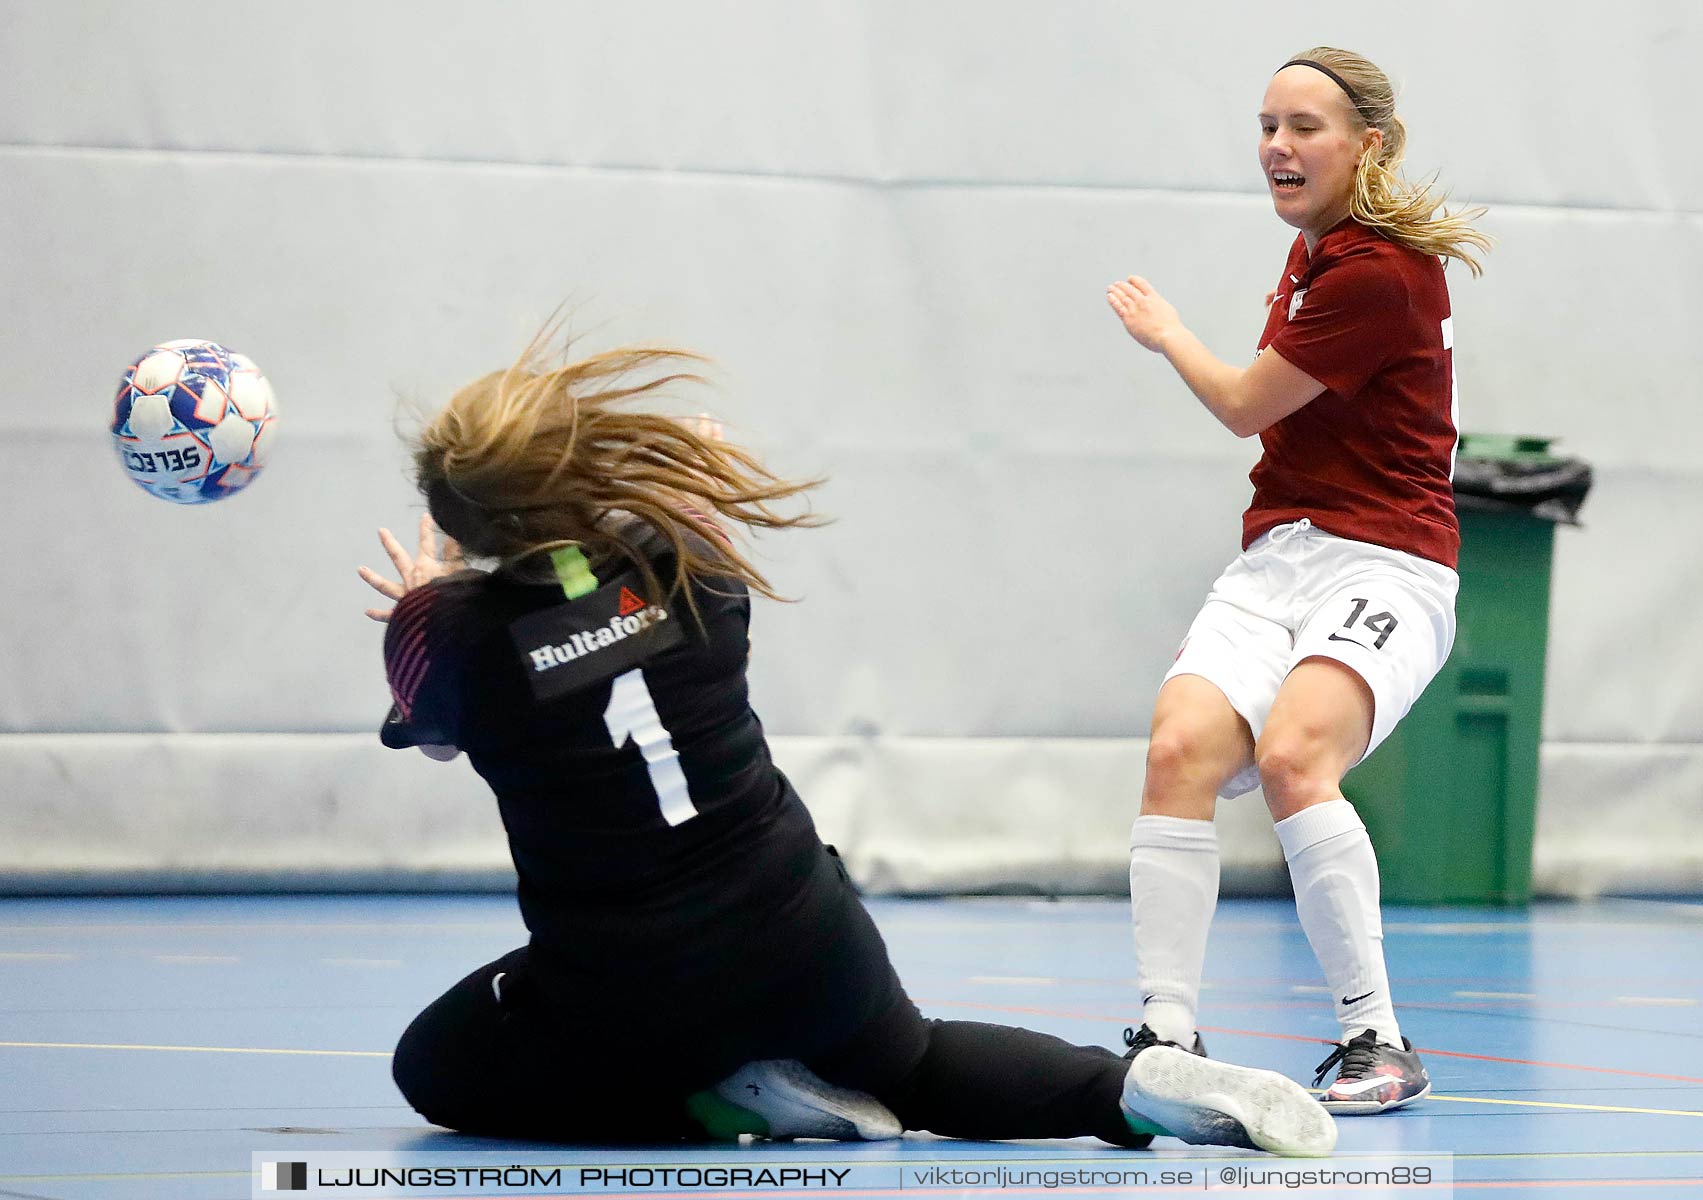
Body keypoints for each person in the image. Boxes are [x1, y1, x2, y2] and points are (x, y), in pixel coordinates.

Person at [358, 335, 1337, 1156]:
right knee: (915, 1065)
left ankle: (719, 1103)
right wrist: (682, 505)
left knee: (433, 1067)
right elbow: (609, 598)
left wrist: (419, 606)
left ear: (459, 518)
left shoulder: (449, 639)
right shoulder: (687, 559)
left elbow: (445, 731)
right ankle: (1127, 1087)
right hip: (795, 922)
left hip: (627, 981)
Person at [1105, 47, 1491, 1113]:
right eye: (1266, 125)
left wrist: (1164, 330)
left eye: (1302, 127)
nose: (1276, 146)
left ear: (1365, 145)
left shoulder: (1372, 271)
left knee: (1290, 757)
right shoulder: (1316, 250)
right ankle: (1165, 1033)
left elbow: (1241, 403)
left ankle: (1375, 1039)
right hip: (1281, 555)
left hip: (1388, 560)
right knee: (1177, 747)